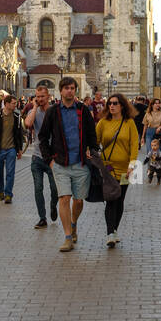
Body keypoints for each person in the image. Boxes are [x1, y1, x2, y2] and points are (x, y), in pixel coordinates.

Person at [37, 76, 99, 252]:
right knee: (64, 198)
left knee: (78, 201)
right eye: (66, 88)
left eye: (72, 88)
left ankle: (73, 223)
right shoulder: (53, 111)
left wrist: (93, 152)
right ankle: (67, 237)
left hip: (80, 163)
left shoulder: (83, 110)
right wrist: (49, 159)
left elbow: (91, 134)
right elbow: (43, 137)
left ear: (75, 91)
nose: (69, 91)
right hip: (60, 164)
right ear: (61, 91)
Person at [95, 93, 142, 247]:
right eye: (110, 103)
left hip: (125, 169)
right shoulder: (103, 123)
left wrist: (132, 165)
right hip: (108, 167)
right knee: (111, 198)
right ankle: (109, 233)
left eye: (115, 103)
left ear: (122, 105)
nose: (112, 106)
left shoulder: (129, 123)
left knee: (120, 199)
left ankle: (115, 230)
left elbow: (134, 145)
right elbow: (95, 141)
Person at [23, 84, 59, 228]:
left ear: (48, 96)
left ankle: (53, 205)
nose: (40, 99)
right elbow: (28, 123)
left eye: (42, 96)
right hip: (37, 156)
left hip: (52, 157)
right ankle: (42, 218)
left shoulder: (54, 112)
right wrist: (34, 107)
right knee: (38, 188)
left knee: (55, 189)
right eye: (37, 97)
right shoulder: (35, 111)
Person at [0, 94, 24, 204]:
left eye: (15, 103)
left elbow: (19, 134)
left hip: (11, 149)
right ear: (6, 104)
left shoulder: (17, 117)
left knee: (10, 172)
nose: (15, 105)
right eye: (13, 103)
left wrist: (19, 149)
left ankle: (8, 194)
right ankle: (0, 190)